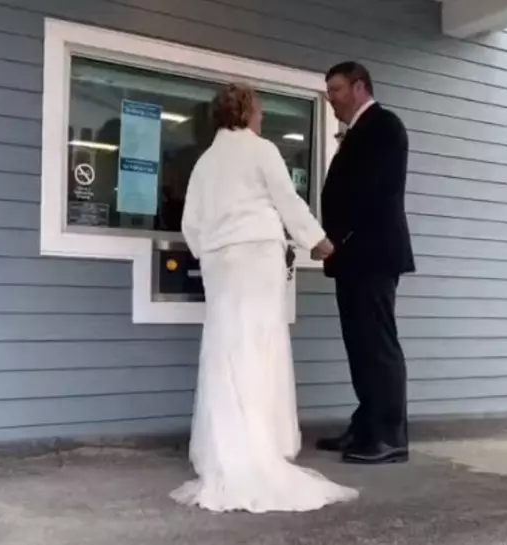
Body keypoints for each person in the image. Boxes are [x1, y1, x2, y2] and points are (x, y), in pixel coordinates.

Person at [172, 82, 358, 512]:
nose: (262, 117)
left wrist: (212, 250)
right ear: (247, 112)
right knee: (259, 345)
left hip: (220, 263)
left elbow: (190, 223)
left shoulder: (205, 162)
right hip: (256, 256)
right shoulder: (261, 151)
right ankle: (261, 443)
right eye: (258, 110)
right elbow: (287, 201)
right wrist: (318, 240)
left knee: (225, 348)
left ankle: (225, 447)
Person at [313, 61, 415, 465]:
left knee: (378, 346)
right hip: (354, 258)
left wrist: (342, 241)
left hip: (371, 255)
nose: (330, 98)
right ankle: (367, 424)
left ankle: (391, 435)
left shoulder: (384, 126)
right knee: (359, 346)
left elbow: (377, 194)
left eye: (335, 89)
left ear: (359, 87)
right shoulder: (358, 131)